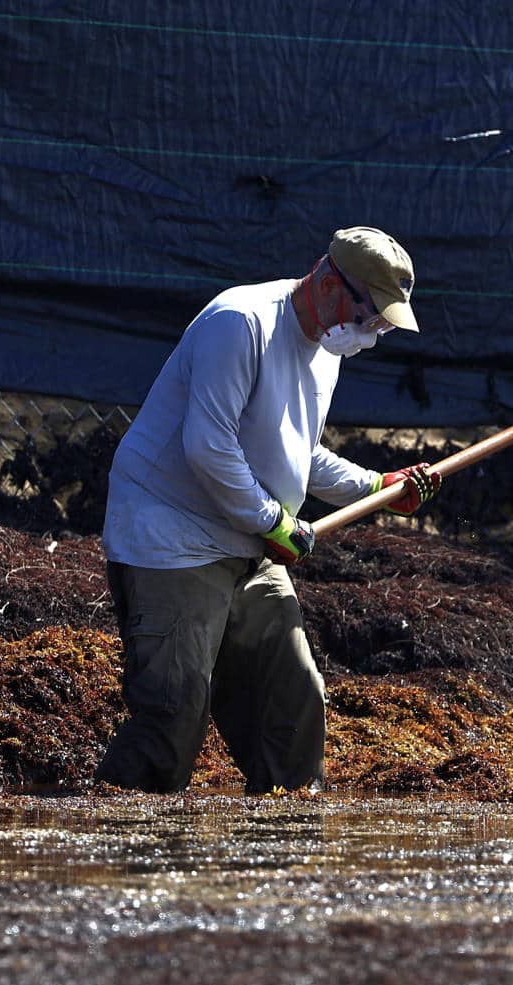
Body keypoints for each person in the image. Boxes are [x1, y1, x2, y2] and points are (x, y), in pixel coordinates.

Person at [96, 227, 442, 794]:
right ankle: (124, 840)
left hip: (251, 537)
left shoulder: (327, 350)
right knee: (174, 710)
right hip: (173, 534)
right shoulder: (241, 322)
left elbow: (297, 453)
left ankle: (287, 843)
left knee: (294, 695)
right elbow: (208, 446)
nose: (373, 333)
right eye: (371, 316)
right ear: (331, 284)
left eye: (382, 323)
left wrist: (376, 486)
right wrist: (271, 521)